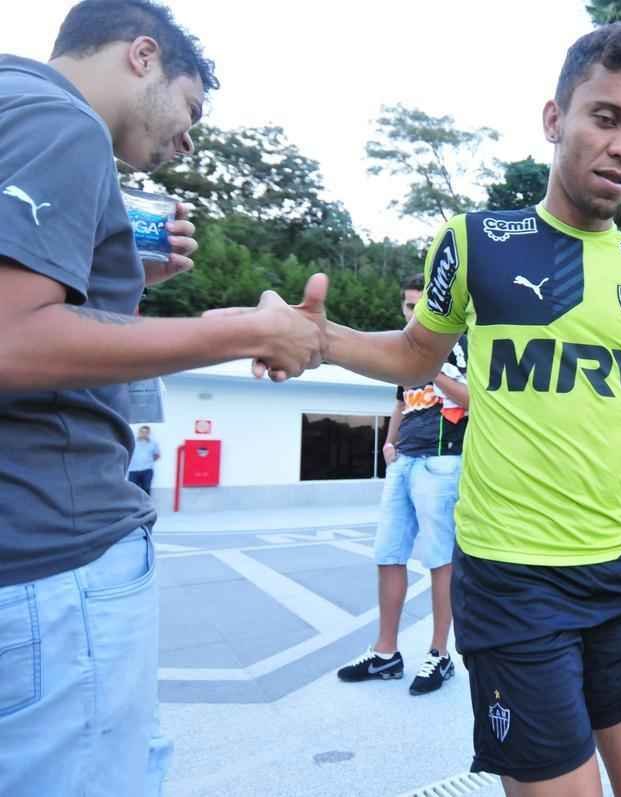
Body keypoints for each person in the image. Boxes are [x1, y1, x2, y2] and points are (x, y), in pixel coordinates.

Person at [276, 23, 621, 795]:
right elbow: (416, 355)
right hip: (510, 579)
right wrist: (323, 340)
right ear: (554, 119)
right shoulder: (476, 241)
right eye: (605, 117)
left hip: (618, 570)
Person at [0, 3, 323, 795]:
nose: (189, 140)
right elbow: (13, 340)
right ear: (143, 55)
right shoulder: (61, 122)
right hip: (53, 556)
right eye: (191, 108)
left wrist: (121, 278)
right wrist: (244, 332)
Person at [337, 275, 468, 695]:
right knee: (388, 553)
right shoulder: (406, 349)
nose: (412, 313)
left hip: (442, 461)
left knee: (440, 559)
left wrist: (435, 372)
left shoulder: (463, 343)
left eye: (420, 305)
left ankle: (439, 654)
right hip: (404, 461)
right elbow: (400, 400)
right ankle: (385, 653)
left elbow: (476, 401)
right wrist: (389, 442)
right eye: (408, 305)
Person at [128, 424, 161, 495]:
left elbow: (157, 455)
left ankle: (146, 502)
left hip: (147, 470)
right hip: (133, 470)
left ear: (148, 433)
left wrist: (148, 460)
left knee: (146, 489)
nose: (144, 434)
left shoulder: (153, 443)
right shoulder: (132, 442)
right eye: (142, 432)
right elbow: (127, 453)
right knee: (132, 490)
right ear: (139, 432)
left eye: (146, 432)